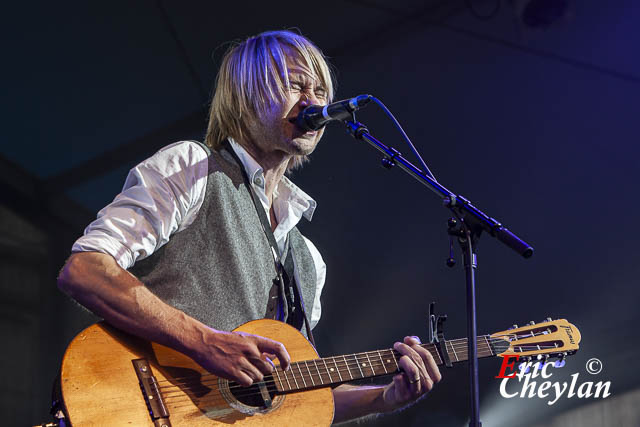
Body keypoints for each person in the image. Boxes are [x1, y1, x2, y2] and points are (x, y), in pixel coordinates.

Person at [57, 30, 441, 424]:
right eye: (296, 84)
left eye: (321, 91)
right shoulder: (192, 168)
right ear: (246, 95)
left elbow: (289, 394)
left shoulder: (308, 260)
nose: (314, 101)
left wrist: (383, 397)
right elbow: (85, 270)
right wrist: (203, 342)